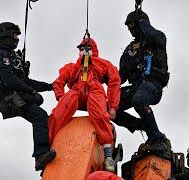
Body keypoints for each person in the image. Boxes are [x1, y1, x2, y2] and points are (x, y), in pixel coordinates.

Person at [0, 22, 55, 171]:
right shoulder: (0, 56)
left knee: (44, 119)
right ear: (6, 36)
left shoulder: (11, 56)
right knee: (40, 116)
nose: (17, 38)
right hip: (10, 99)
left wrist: (49, 86)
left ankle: (45, 160)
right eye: (15, 35)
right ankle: (41, 155)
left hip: (16, 96)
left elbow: (25, 81)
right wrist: (32, 92)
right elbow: (10, 80)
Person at [48, 37, 121, 172]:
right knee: (56, 115)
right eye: (81, 49)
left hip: (95, 90)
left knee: (100, 116)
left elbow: (114, 81)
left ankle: (108, 156)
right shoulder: (72, 66)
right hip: (76, 90)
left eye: (86, 48)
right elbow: (58, 82)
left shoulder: (103, 63)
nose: (83, 51)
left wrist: (112, 106)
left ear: (93, 50)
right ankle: (47, 151)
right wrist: (60, 97)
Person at [113, 8, 170, 153]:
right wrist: (105, 79)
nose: (131, 31)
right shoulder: (129, 50)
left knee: (139, 100)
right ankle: (144, 125)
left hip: (153, 85)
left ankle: (156, 139)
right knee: (109, 106)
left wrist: (142, 22)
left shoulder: (157, 39)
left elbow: (154, 34)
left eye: (133, 26)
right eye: (128, 28)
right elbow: (121, 76)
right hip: (136, 87)